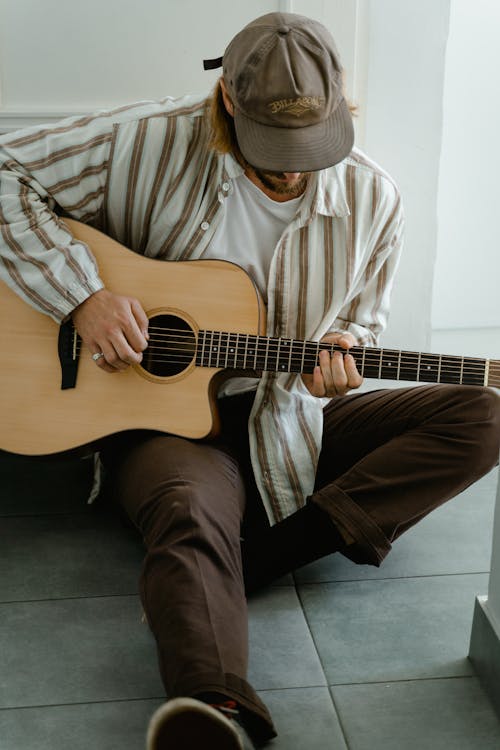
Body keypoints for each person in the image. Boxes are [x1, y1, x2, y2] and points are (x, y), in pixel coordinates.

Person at [0, 11, 499, 750]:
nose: (295, 169)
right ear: (228, 100)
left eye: (311, 146)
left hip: (288, 417)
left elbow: (363, 320)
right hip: (161, 425)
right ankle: (216, 709)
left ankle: (254, 558)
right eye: (275, 149)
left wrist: (345, 355)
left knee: (484, 414)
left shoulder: (374, 200)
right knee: (188, 509)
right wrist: (82, 295)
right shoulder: (145, 139)